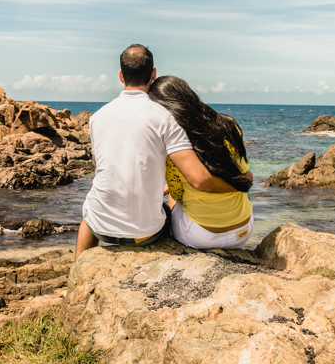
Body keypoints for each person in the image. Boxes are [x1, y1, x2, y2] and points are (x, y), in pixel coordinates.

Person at [75, 45, 241, 260]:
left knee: (90, 208)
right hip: (145, 235)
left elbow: (114, 171)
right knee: (174, 200)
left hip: (100, 227)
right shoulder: (164, 117)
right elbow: (198, 179)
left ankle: (76, 273)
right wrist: (238, 183)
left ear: (120, 76)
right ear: (153, 74)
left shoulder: (97, 117)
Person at [148, 75, 254, 250]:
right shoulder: (229, 124)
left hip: (202, 236)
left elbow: (180, 193)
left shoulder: (176, 143)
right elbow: (238, 170)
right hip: (242, 232)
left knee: (175, 196)